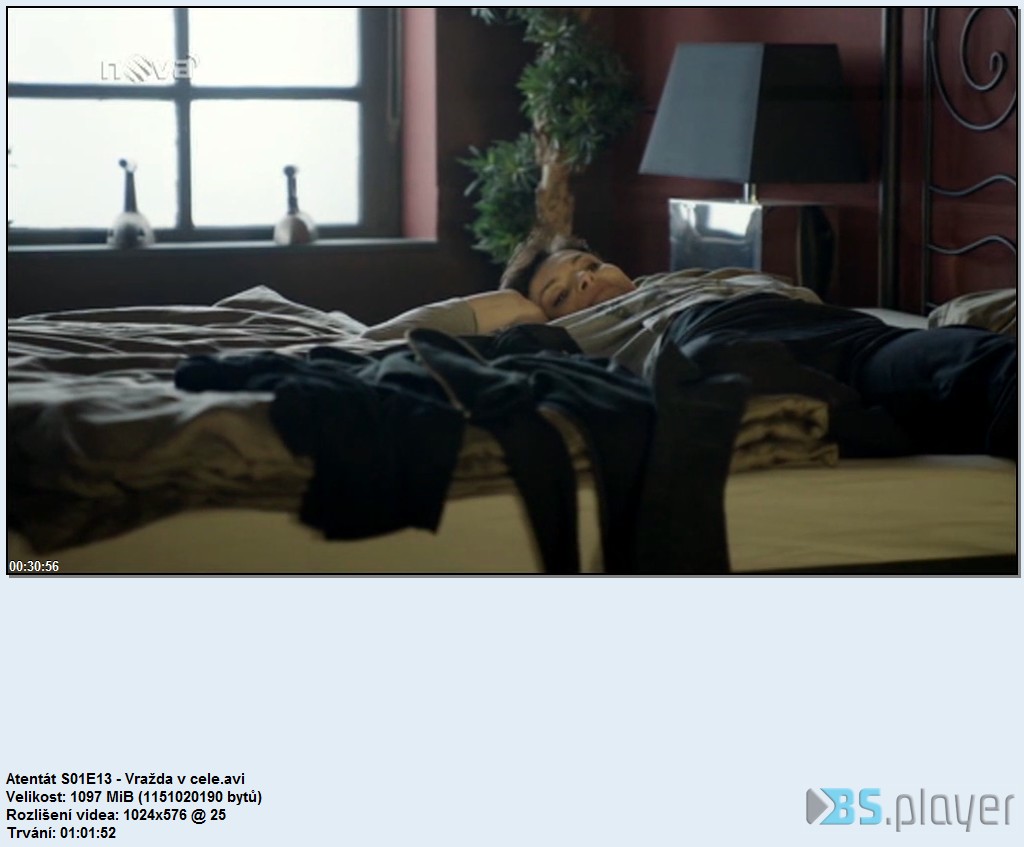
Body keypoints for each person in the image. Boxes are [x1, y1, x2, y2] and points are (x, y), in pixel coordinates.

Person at [363, 234, 1016, 459]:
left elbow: (798, 297)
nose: (585, 280)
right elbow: (390, 338)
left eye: (589, 265)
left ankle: (871, 416)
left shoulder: (697, 275)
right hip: (706, 349)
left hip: (833, 339)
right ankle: (866, 419)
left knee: (964, 363)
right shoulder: (573, 336)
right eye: (561, 292)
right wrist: (521, 306)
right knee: (705, 363)